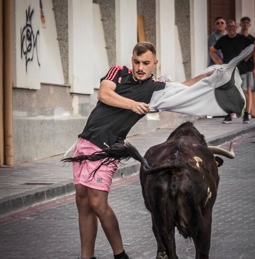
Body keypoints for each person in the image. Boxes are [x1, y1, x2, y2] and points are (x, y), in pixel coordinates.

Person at [71, 42, 213, 259]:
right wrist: (131, 104)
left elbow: (183, 88)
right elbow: (104, 94)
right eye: (137, 62)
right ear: (132, 60)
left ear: (154, 63)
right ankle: (86, 256)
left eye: (146, 63)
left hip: (107, 149)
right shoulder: (117, 72)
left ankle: (120, 255)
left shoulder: (155, 88)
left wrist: (205, 77)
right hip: (84, 142)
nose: (140, 67)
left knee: (97, 203)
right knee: (82, 200)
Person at [210, 20, 255, 124]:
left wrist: (248, 56)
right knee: (229, 92)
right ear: (227, 28)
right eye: (230, 27)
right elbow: (212, 50)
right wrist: (219, 62)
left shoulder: (242, 39)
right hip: (229, 70)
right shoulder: (223, 40)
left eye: (233, 27)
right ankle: (229, 115)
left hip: (243, 69)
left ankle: (247, 114)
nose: (232, 28)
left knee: (245, 92)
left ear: (236, 28)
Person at [239, 16, 255, 123]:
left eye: (247, 22)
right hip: (238, 67)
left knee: (248, 90)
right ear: (240, 24)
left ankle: (247, 112)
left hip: (248, 68)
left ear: (250, 25)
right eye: (243, 22)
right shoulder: (237, 38)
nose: (245, 24)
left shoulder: (252, 39)